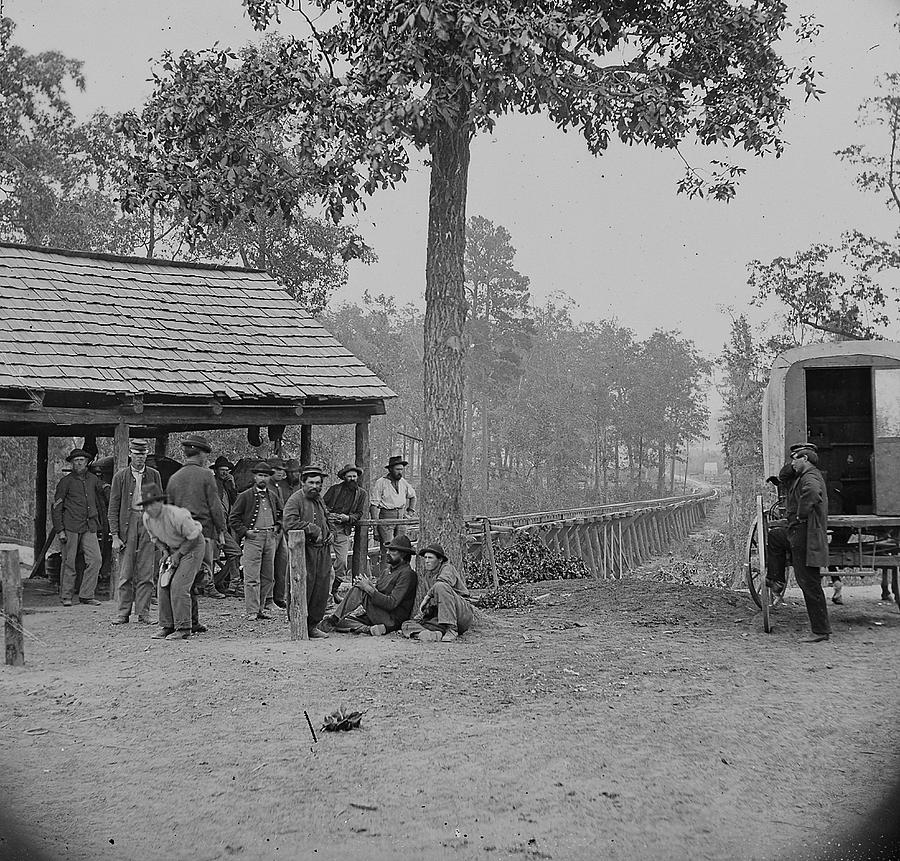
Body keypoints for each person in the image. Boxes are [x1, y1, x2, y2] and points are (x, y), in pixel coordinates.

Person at [767, 443, 831, 643]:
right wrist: (795, 460)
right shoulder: (800, 474)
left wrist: (802, 514)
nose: (792, 462)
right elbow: (784, 475)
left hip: (806, 533)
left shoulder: (810, 477)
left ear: (805, 459)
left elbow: (812, 492)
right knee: (775, 536)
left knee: (808, 582)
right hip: (797, 531)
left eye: (796, 459)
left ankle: (820, 631)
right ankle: (776, 579)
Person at [165, 435, 228, 631]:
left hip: (177, 534)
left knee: (182, 578)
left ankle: (191, 621)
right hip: (200, 534)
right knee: (189, 580)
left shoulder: (174, 478)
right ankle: (185, 625)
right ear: (201, 455)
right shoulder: (206, 476)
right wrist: (221, 531)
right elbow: (215, 506)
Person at [139, 483, 206, 641]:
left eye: (152, 504)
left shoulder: (177, 515)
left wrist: (178, 555)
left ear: (160, 502)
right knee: (164, 584)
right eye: (145, 505)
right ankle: (167, 625)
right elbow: (155, 538)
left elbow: (194, 537)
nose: (149, 508)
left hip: (193, 546)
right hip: (171, 547)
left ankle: (184, 627)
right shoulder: (147, 518)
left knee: (179, 586)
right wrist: (165, 552)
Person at [108, 440, 162, 625]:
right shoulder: (120, 477)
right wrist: (115, 535)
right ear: (130, 454)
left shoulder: (154, 475)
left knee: (147, 571)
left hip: (147, 523)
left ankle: (143, 613)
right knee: (126, 572)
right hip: (127, 524)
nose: (140, 458)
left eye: (144, 454)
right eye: (137, 454)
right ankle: (123, 613)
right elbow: (113, 507)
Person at [320, 534, 417, 636]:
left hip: (391, 619)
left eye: (393, 551)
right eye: (388, 550)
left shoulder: (407, 574)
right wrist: (369, 584)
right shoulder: (387, 571)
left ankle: (334, 619)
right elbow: (379, 592)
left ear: (403, 554)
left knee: (360, 590)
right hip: (377, 614)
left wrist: (367, 588)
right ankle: (367, 629)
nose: (388, 553)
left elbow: (391, 603)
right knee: (342, 621)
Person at [282, 465, 333, 639]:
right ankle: (299, 624)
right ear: (303, 482)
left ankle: (313, 625)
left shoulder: (318, 499)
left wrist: (329, 532)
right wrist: (312, 529)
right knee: (303, 587)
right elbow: (289, 524)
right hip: (305, 552)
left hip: (322, 552)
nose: (315, 486)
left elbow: (326, 517)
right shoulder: (295, 500)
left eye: (318, 483)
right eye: (311, 482)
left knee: (321, 589)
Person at [52, 448, 107, 607]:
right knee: (69, 561)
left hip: (89, 526)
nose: (79, 462)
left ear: (87, 462)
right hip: (71, 526)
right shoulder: (66, 482)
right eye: (76, 460)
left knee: (96, 560)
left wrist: (108, 487)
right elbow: (56, 507)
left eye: (82, 460)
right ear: (72, 463)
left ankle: (86, 595)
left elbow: (102, 488)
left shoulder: (93, 479)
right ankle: (66, 596)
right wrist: (60, 530)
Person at [229, 461, 283, 621]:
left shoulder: (273, 495)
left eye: (266, 476)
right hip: (253, 538)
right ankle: (252, 610)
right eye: (260, 475)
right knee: (252, 575)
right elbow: (234, 518)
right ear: (254, 476)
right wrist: (245, 531)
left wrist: (277, 526)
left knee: (268, 575)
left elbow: (281, 513)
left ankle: (260, 608)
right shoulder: (245, 496)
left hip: (270, 538)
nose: (263, 479)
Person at [401, 543, 473, 643]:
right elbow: (435, 602)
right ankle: (433, 634)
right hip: (442, 615)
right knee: (407, 624)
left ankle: (452, 629)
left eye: (430, 558)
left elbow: (442, 585)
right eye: (425, 558)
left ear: (440, 560)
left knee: (440, 586)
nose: (426, 561)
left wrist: (427, 597)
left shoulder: (447, 568)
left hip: (461, 612)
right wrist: (424, 612)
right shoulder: (428, 576)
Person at [323, 463, 369, 604]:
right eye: (349, 476)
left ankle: (334, 591)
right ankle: (325, 596)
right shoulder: (334, 489)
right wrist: (329, 514)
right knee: (324, 562)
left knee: (342, 562)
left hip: (343, 530)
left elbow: (359, 513)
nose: (352, 479)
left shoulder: (361, 493)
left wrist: (348, 518)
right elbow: (322, 504)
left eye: (354, 476)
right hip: (327, 528)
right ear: (344, 477)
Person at [370, 455, 416, 562]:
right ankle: (387, 575)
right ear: (390, 469)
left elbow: (413, 496)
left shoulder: (403, 482)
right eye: (397, 469)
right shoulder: (381, 482)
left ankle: (401, 574)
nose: (400, 472)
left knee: (402, 547)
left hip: (401, 518)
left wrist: (410, 511)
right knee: (388, 549)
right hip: (386, 517)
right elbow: (373, 505)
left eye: (401, 469)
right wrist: (375, 527)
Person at [212, 455, 242, 595]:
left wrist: (232, 486)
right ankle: (209, 585)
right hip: (213, 526)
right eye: (222, 470)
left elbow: (236, 503)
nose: (225, 473)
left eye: (227, 470)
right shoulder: (212, 483)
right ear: (216, 471)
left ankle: (233, 584)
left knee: (234, 552)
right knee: (212, 556)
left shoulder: (227, 484)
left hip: (225, 525)